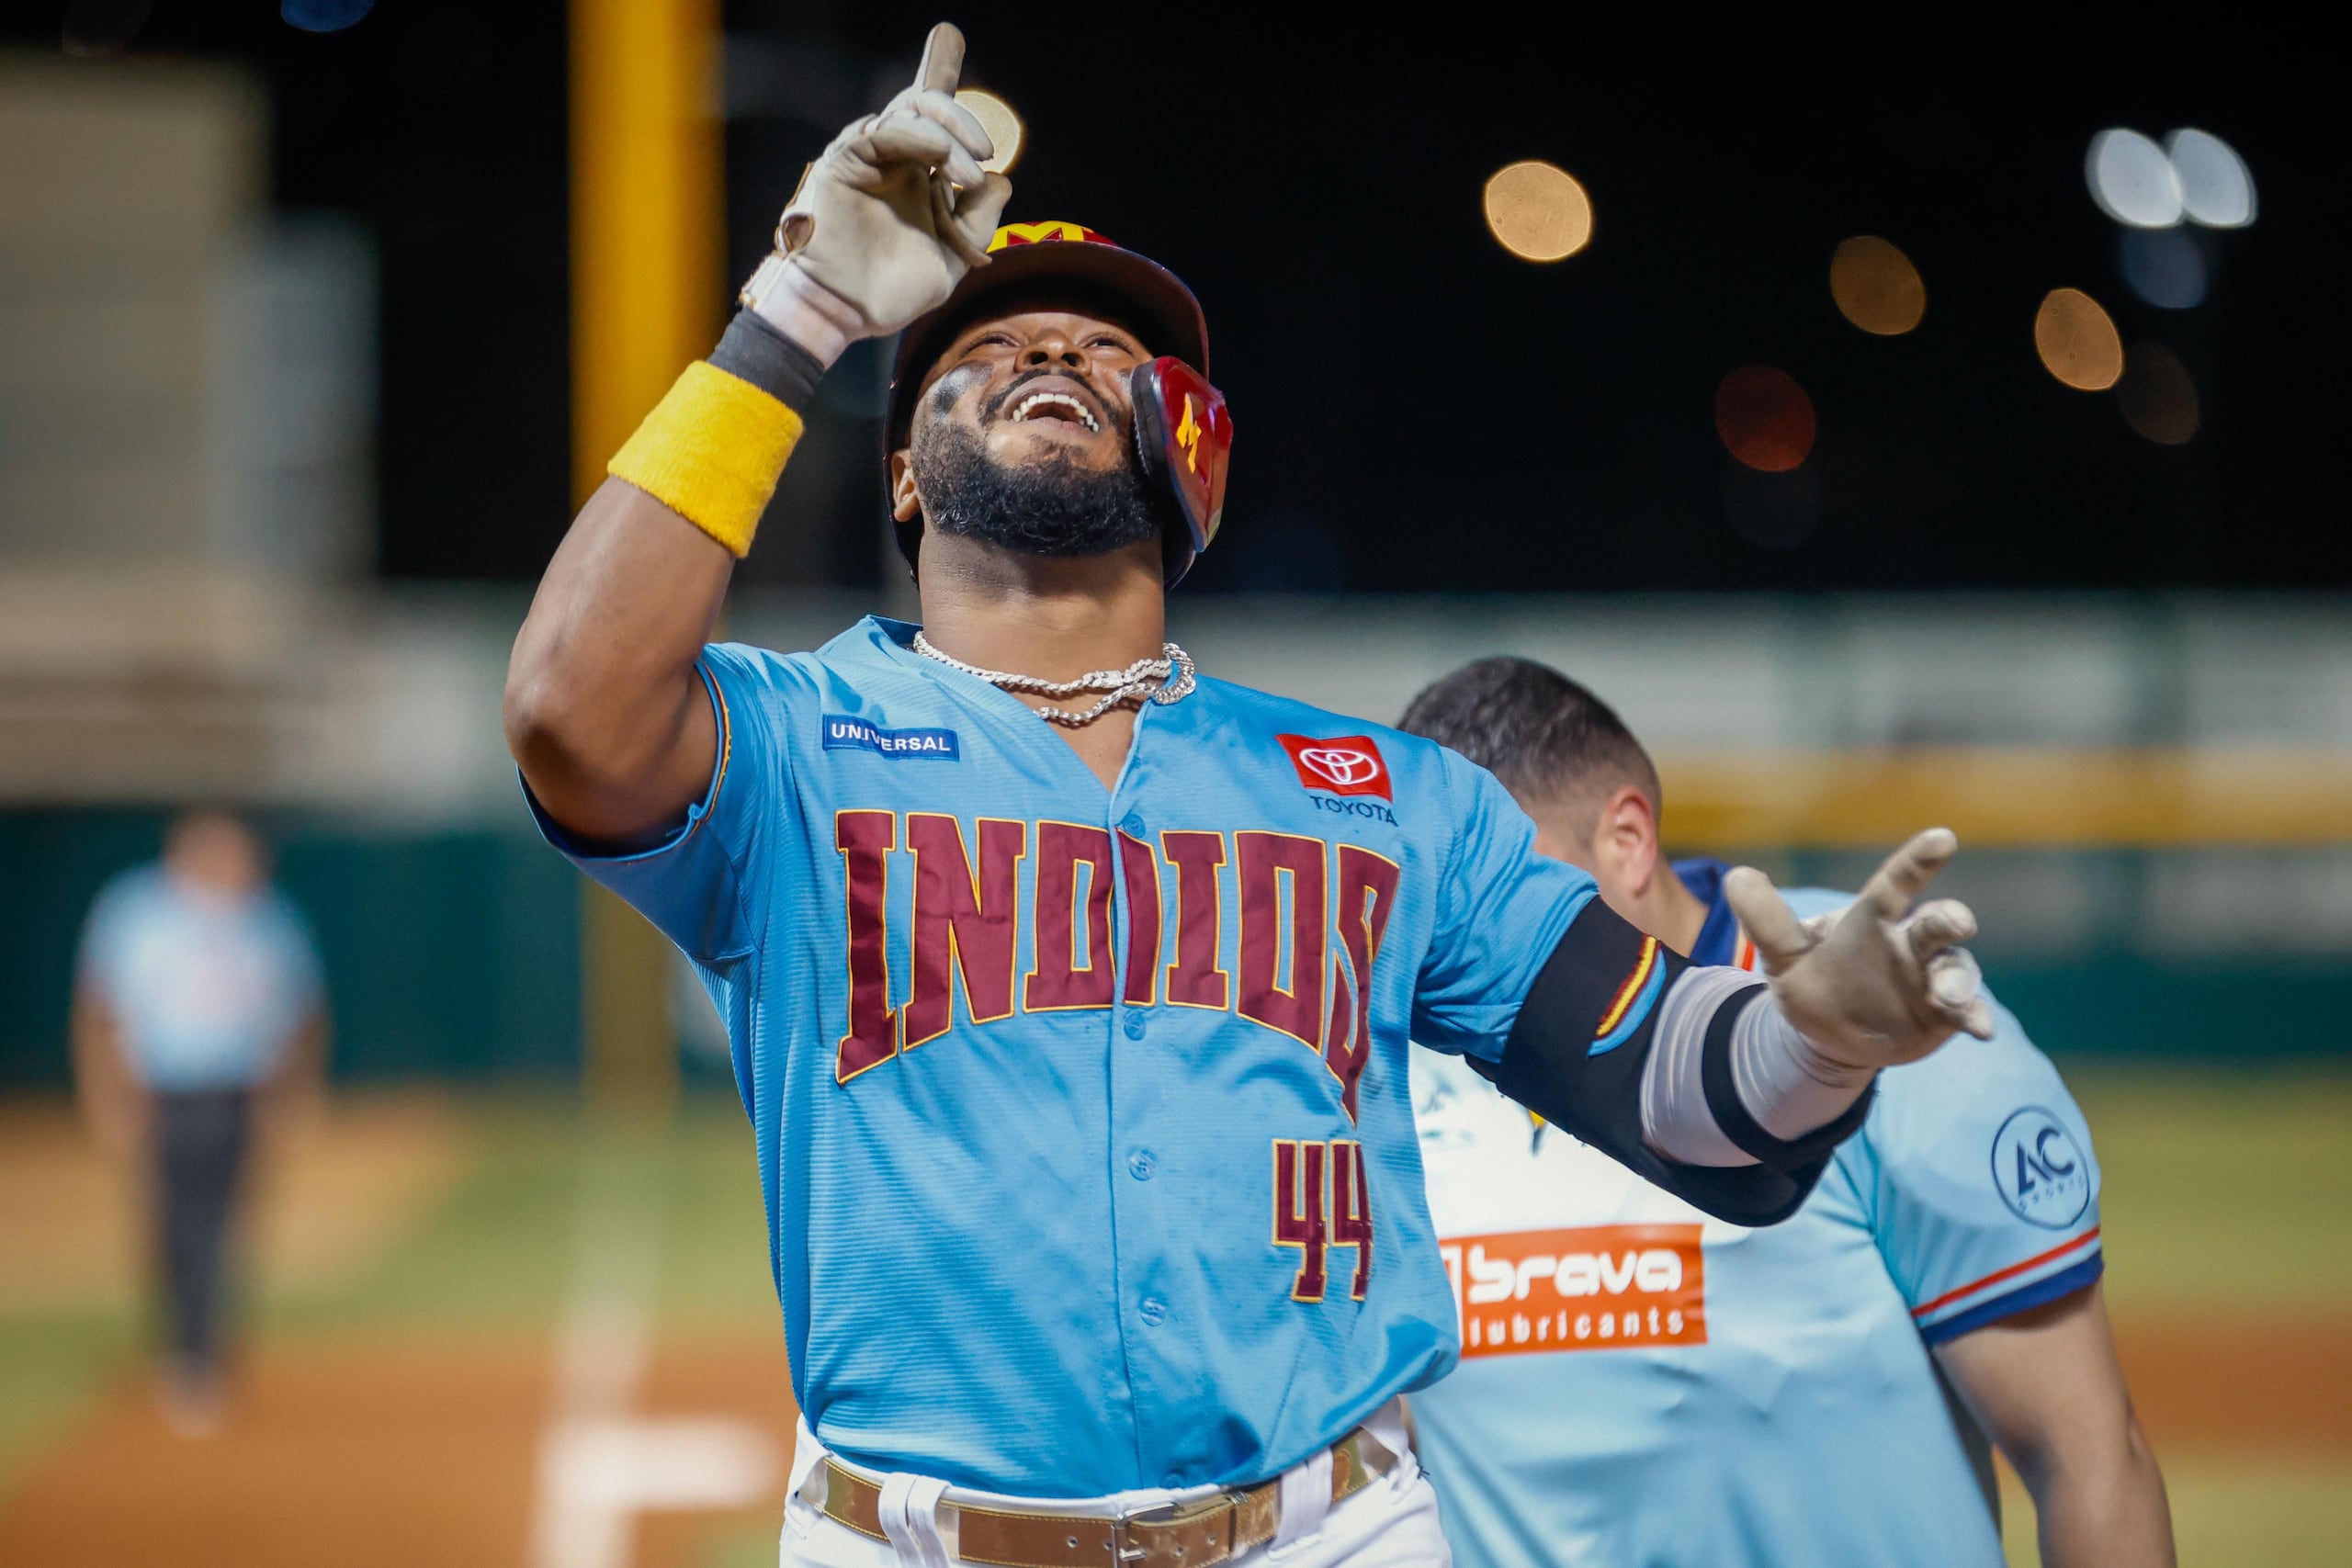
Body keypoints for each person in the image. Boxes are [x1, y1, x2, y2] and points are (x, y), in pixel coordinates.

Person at [503, 25, 1996, 1566]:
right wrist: (801, 308)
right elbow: (568, 707)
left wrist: (1821, 1038)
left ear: (1190, 460)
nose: (1048, 357)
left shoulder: (1385, 797)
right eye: (984, 350)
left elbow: (1685, 1097)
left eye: (1102, 355)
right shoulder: (793, 742)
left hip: (1329, 1532)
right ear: (902, 477)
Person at [1396, 657, 2174, 1568]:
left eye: (1504, 892)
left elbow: (2087, 1459)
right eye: (1432, 894)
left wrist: (1832, 1052)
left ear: (1627, 839)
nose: (1455, 933)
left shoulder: (1876, 1015)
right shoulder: (1388, 1047)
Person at [73, 809, 329, 1437]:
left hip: (239, 1088)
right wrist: (105, 1093)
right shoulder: (136, 910)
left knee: (224, 1224)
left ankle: (206, 1349)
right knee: (172, 1223)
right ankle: (185, 1348)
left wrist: (292, 1094)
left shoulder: (264, 918)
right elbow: (98, 1007)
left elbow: (302, 1011)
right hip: (163, 1090)